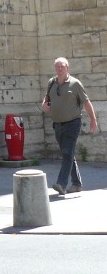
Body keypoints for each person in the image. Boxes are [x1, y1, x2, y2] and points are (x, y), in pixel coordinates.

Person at [41, 57, 98, 195]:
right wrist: (44, 104)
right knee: (68, 154)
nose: (59, 69)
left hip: (73, 123)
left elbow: (86, 102)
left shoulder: (75, 83)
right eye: (57, 66)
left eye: (62, 66)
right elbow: (47, 98)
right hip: (57, 124)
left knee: (67, 153)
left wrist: (93, 119)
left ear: (67, 68)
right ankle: (77, 184)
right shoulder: (51, 82)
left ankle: (61, 184)